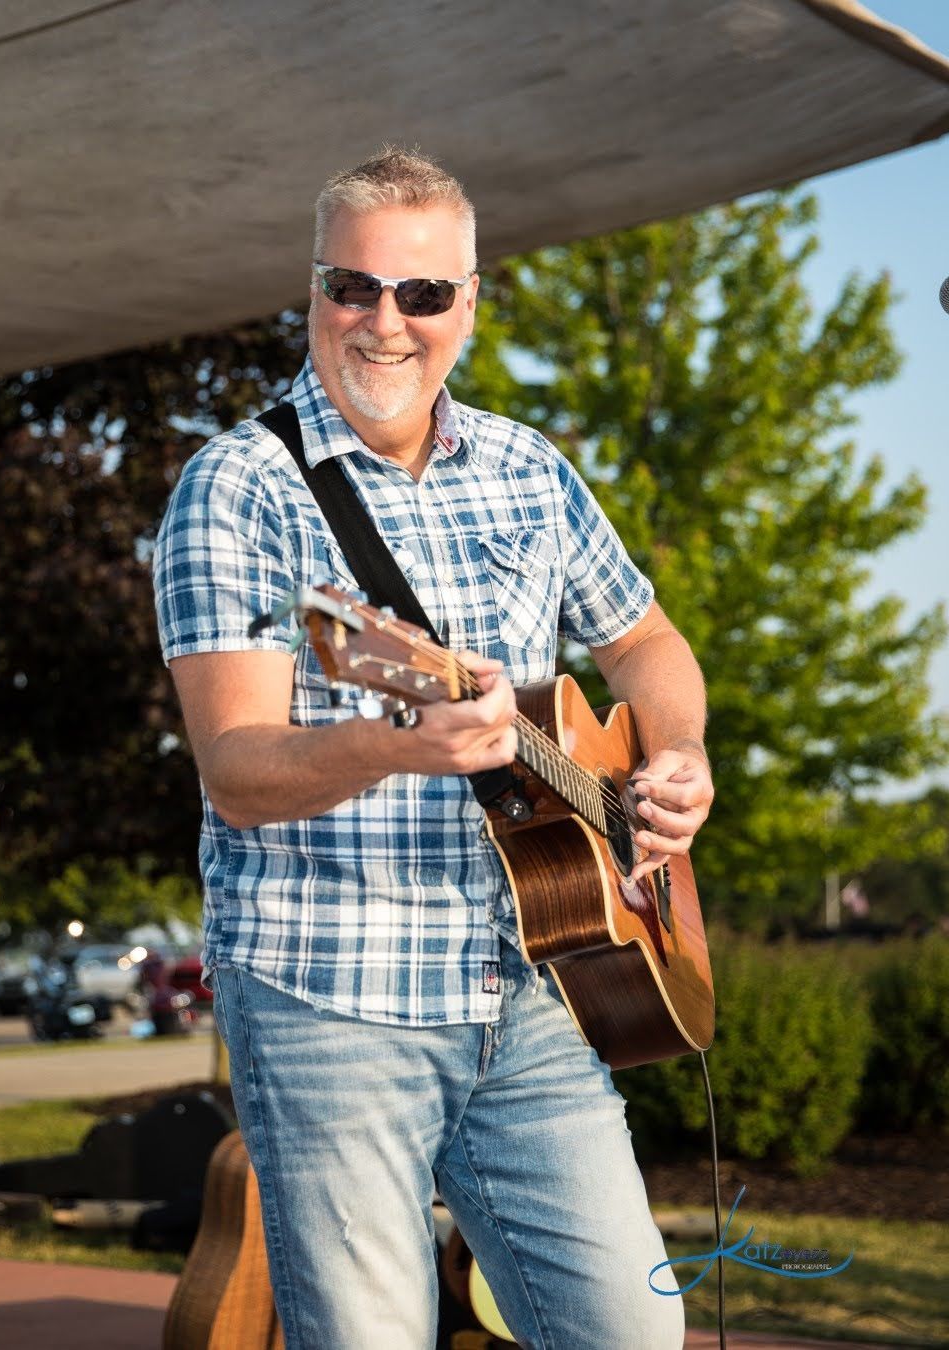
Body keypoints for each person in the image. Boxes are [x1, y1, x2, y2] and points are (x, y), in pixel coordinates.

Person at [153, 147, 713, 1350]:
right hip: (331, 998)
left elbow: (650, 643)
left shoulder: (532, 470)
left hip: (538, 984)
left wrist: (677, 756)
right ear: (313, 292)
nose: (383, 323)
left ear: (470, 300)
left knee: (632, 1332)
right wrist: (392, 749)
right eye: (351, 287)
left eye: (421, 294)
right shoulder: (238, 489)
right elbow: (238, 770)